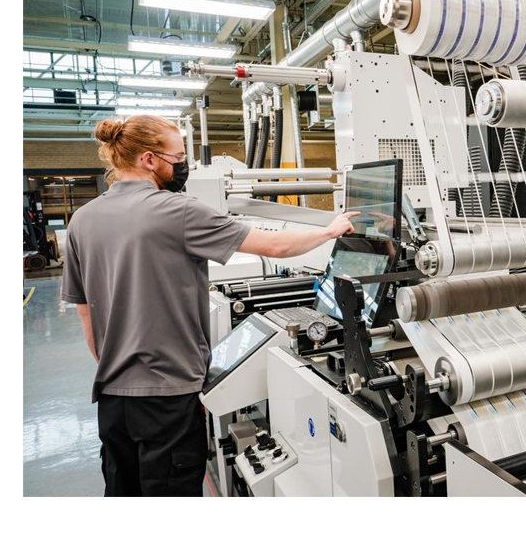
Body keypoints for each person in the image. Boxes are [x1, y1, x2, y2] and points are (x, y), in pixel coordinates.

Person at [61, 115, 357, 497]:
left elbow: (86, 313)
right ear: (149, 159)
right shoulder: (177, 210)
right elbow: (275, 246)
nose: (183, 165)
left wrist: (116, 364)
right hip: (168, 397)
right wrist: (331, 230)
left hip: (113, 397)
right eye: (178, 156)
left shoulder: (82, 220)